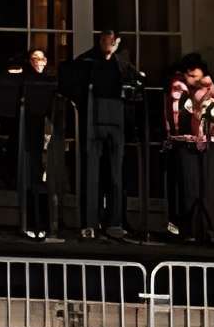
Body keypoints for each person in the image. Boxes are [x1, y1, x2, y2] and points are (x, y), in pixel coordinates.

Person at [64, 29, 142, 241]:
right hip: (92, 121)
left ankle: (115, 221)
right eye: (105, 40)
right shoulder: (86, 61)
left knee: (116, 174)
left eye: (112, 41)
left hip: (117, 122)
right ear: (100, 41)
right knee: (91, 174)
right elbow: (71, 87)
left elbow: (136, 89)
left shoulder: (123, 64)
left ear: (117, 42)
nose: (108, 44)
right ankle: (90, 222)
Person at [162, 55, 214, 244]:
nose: (195, 81)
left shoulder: (208, 90)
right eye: (191, 76)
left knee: (208, 189)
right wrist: (198, 107)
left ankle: (208, 229)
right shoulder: (179, 91)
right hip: (187, 143)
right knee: (189, 189)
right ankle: (188, 230)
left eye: (199, 76)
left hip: (210, 142)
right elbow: (184, 122)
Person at [8, 46, 64, 240]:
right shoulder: (24, 81)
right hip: (30, 134)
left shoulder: (52, 84)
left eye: (40, 58)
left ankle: (49, 224)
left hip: (46, 134)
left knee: (47, 180)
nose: (37, 62)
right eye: (33, 58)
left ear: (46, 61)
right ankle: (32, 222)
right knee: (31, 178)